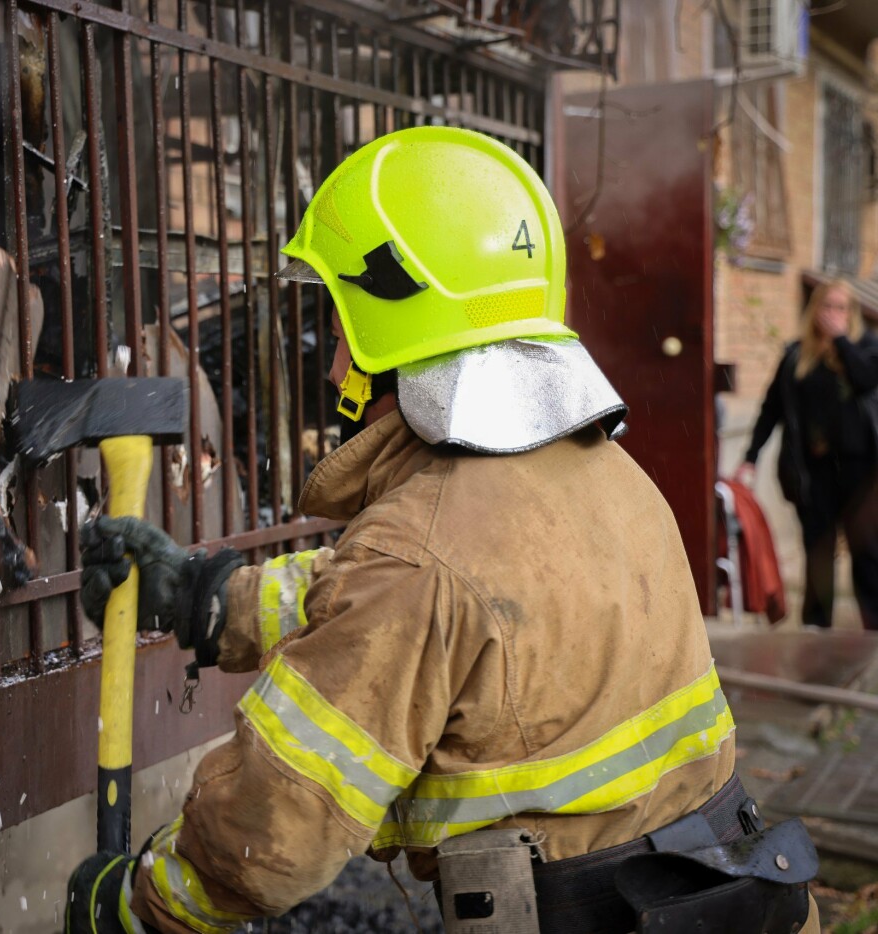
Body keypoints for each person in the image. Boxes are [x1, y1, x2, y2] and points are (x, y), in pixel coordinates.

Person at [66, 126, 818, 933]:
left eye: (342, 326)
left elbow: (277, 824)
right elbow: (432, 607)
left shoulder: (419, 555)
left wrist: (143, 908)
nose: (330, 365)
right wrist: (207, 596)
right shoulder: (604, 474)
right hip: (735, 892)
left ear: (393, 335)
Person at [736, 281, 878, 630]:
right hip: (813, 472)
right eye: (827, 306)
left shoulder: (866, 348)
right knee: (818, 552)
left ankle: (873, 631)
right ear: (814, 310)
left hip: (863, 472)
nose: (833, 314)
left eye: (841, 307)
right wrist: (750, 457)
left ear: (852, 313)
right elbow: (771, 410)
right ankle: (817, 631)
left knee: (868, 554)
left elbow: (866, 380)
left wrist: (842, 340)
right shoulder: (796, 356)